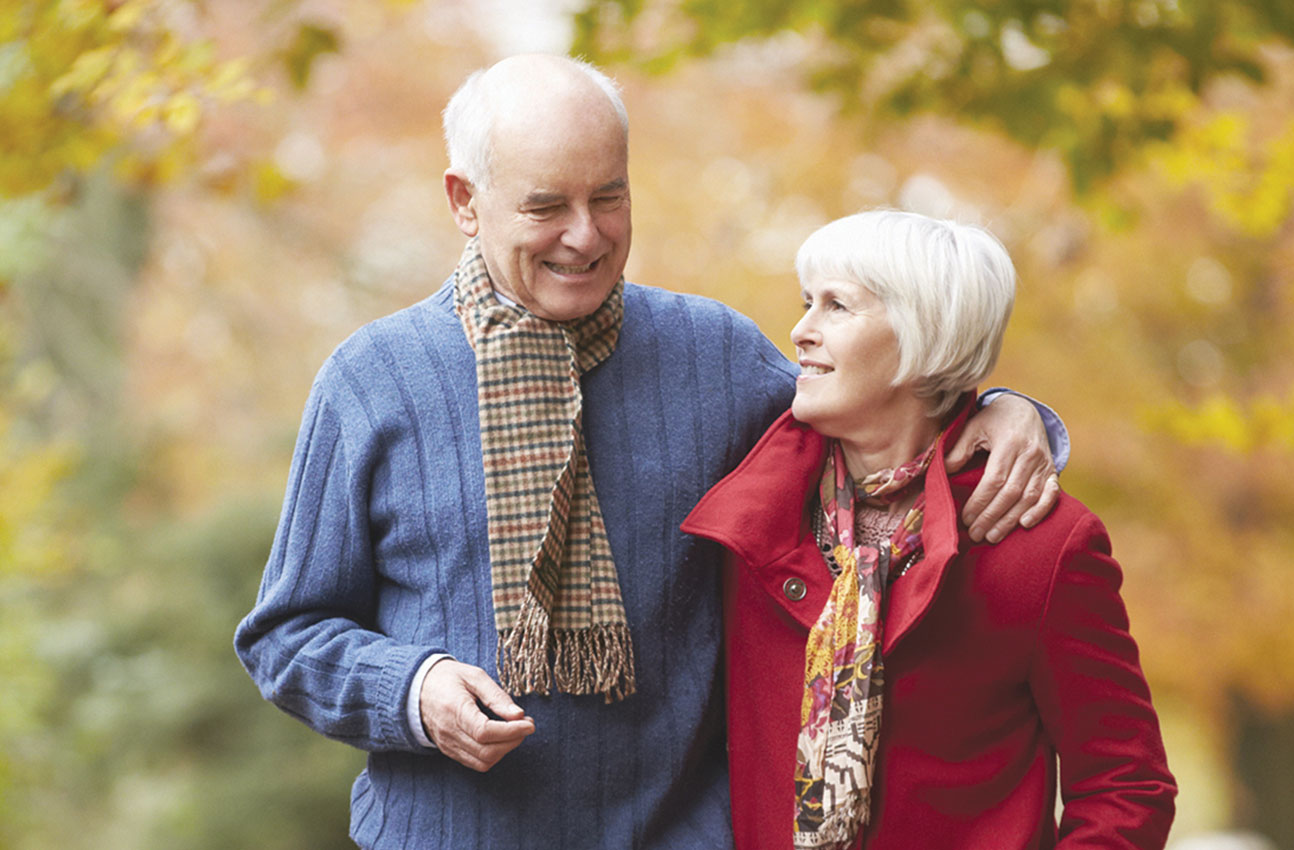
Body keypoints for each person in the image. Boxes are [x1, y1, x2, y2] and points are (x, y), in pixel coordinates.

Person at [234, 56, 1067, 849]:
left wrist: (1003, 407)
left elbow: (886, 416)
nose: (585, 236)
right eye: (544, 207)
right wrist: (411, 691)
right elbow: (287, 635)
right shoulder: (372, 380)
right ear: (464, 200)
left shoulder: (716, 357)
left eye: (610, 197)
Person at [682, 211, 1175, 849]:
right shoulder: (747, 506)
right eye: (808, 302)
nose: (801, 331)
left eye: (837, 307)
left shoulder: (1043, 545)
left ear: (924, 337)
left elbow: (1125, 785)